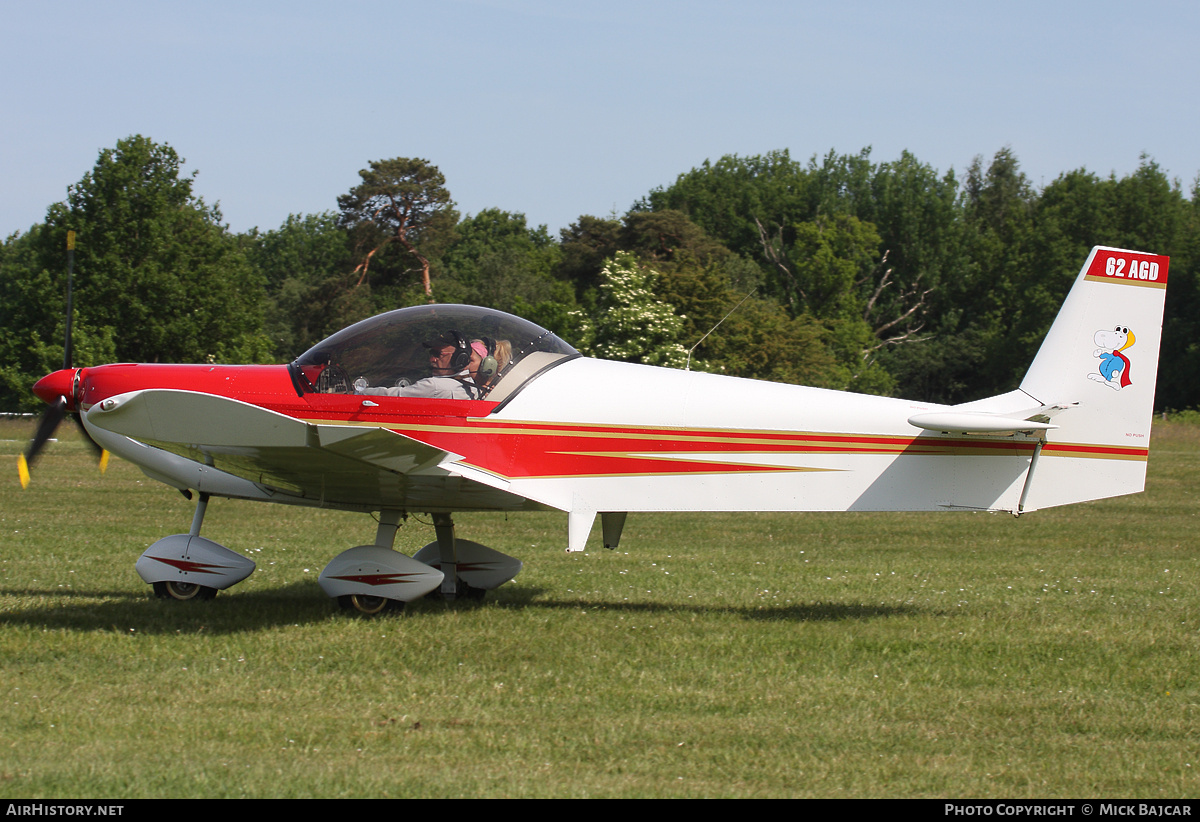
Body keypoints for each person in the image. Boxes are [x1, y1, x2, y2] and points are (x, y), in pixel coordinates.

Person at [357, 331, 481, 399]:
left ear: (460, 359)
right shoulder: (472, 384)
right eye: (431, 353)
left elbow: (392, 396)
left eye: (438, 354)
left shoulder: (435, 387)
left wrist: (357, 394)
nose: (432, 359)